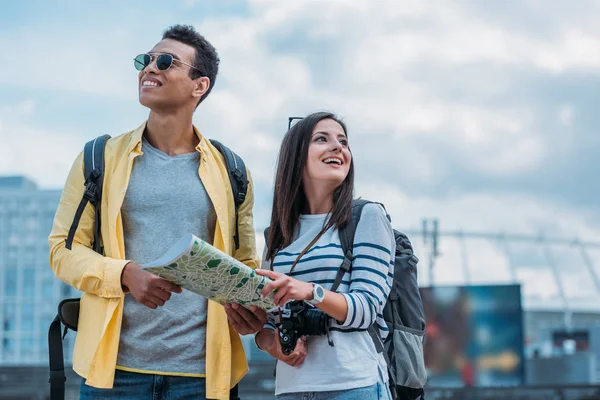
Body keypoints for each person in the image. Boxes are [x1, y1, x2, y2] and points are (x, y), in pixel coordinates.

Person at [48, 24, 261, 400]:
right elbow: (62, 251)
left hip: (204, 377)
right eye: (144, 61)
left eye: (166, 61)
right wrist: (126, 274)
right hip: (114, 375)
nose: (149, 68)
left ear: (200, 85)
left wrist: (251, 309)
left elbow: (244, 264)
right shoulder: (98, 157)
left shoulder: (232, 169)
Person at [226, 112, 395, 399]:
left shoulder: (367, 216)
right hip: (291, 389)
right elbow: (269, 324)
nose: (337, 147)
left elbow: (366, 309)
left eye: (343, 141)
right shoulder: (277, 233)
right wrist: (268, 342)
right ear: (296, 156)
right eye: (322, 139)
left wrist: (308, 292)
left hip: (354, 385)